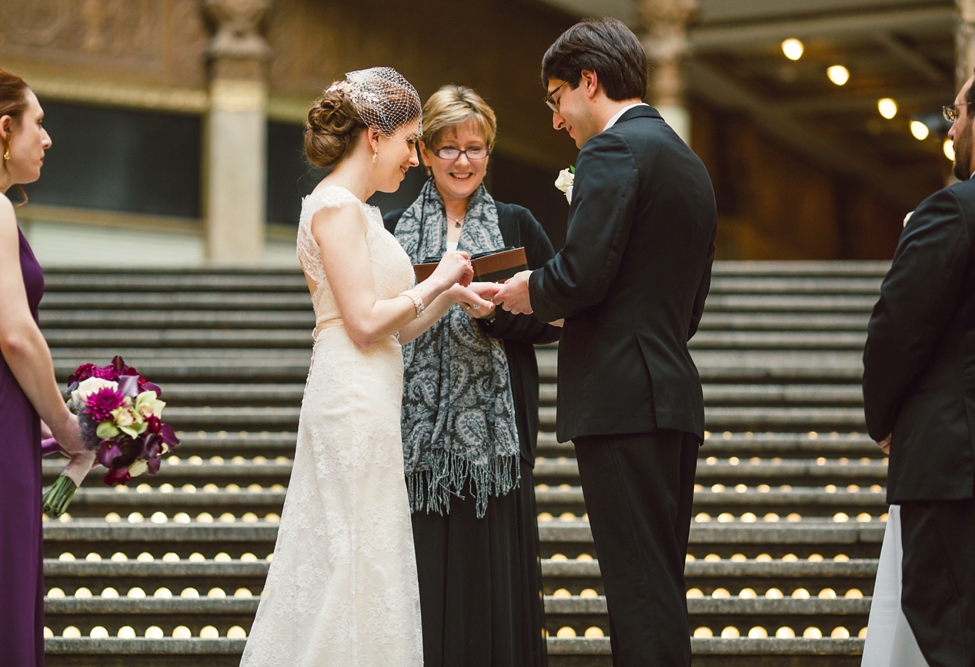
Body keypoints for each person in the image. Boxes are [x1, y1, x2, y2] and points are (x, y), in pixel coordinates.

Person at [239, 67, 499, 667]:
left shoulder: (361, 211)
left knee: (368, 551)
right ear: (375, 137)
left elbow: (396, 329)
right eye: (411, 140)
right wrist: (433, 278)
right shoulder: (333, 207)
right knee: (348, 551)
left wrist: (448, 295)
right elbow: (360, 321)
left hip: (373, 389)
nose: (414, 158)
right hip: (349, 396)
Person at [495, 19, 717, 666]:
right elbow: (680, 301)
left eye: (557, 95)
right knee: (656, 586)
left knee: (637, 592)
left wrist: (526, 290)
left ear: (590, 82)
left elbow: (584, 272)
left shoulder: (612, 152)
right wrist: (573, 310)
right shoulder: (685, 159)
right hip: (670, 391)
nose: (558, 118)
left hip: (621, 400)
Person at [383, 84, 559, 667]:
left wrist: (498, 315)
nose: (463, 160)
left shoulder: (518, 225)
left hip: (497, 447)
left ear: (489, 153)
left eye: (475, 148)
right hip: (409, 443)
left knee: (492, 587)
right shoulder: (386, 230)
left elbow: (556, 321)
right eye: (449, 148)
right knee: (418, 581)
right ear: (427, 153)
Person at [862, 71, 975, 667]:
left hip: (955, 468)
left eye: (957, 114)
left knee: (953, 631)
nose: (951, 128)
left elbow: (896, 330)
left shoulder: (953, 212)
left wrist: (882, 418)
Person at [0, 62, 85, 667]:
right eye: (38, 123)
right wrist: (66, 425)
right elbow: (16, 334)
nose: (47, 138)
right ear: (4, 127)